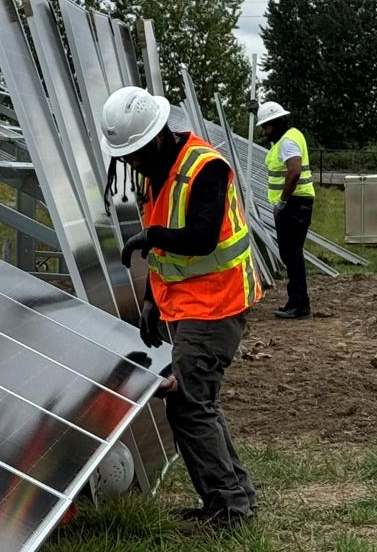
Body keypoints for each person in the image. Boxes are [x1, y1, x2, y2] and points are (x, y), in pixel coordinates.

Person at [102, 86, 261, 528]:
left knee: (189, 404)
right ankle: (234, 499)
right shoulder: (157, 172)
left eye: (136, 153)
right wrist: (151, 300)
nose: (132, 163)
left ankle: (229, 510)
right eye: (125, 156)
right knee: (198, 401)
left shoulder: (205, 167)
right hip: (188, 303)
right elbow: (166, 250)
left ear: (157, 137)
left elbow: (203, 238)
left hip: (218, 303)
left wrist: (149, 237)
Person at [250, 100, 315, 319]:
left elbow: (294, 171)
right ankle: (295, 301)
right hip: (297, 202)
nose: (264, 132)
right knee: (291, 254)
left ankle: (300, 304)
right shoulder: (290, 136)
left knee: (292, 254)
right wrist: (258, 110)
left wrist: (283, 201)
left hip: (293, 204)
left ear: (276, 124)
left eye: (266, 127)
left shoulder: (287, 142)